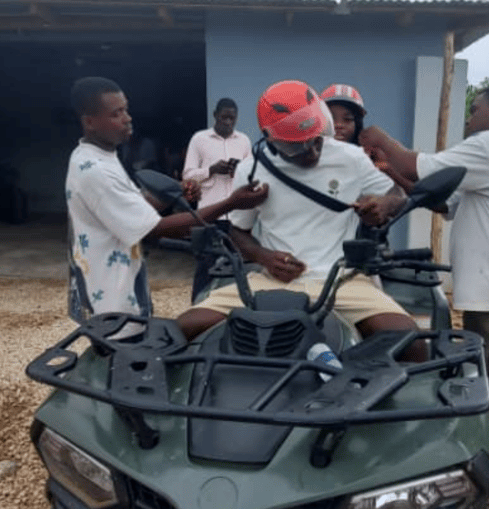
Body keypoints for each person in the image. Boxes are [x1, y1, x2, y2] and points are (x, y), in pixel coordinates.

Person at [359, 85, 489, 509]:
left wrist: (378, 137)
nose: (469, 119)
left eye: (476, 110)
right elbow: (440, 199)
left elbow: (421, 165)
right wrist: (391, 174)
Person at [176, 79, 428, 362]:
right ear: (270, 138)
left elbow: (396, 194)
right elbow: (237, 232)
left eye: (316, 139)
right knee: (180, 330)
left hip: (340, 281)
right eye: (298, 147)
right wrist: (265, 256)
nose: (312, 151)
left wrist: (385, 204)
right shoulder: (251, 168)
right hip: (271, 280)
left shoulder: (351, 158)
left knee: (412, 343)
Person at [66, 77, 268, 324]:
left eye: (126, 109)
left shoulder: (103, 158)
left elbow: (138, 207)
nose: (127, 118)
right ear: (90, 122)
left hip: (121, 283)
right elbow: (153, 228)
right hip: (110, 301)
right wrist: (230, 203)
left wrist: (180, 191)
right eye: (116, 114)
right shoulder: (96, 170)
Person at [182, 98, 253, 302]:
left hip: (237, 217)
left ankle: (231, 305)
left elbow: (251, 174)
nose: (228, 122)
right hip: (209, 214)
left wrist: (237, 169)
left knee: (237, 265)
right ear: (215, 115)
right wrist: (211, 170)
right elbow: (188, 175)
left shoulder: (244, 141)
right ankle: (199, 304)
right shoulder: (199, 139)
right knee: (206, 265)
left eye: (232, 118)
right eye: (224, 117)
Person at [321, 84, 415, 194]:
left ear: (358, 123)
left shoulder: (372, 158)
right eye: (331, 118)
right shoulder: (308, 155)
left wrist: (388, 171)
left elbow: (402, 196)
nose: (339, 125)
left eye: (347, 119)